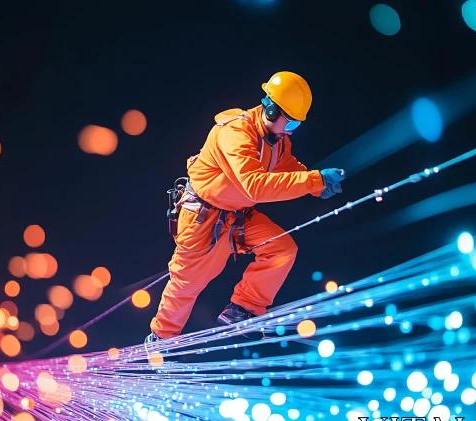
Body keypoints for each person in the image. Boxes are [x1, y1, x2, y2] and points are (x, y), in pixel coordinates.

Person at [146, 71, 345, 344]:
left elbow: (285, 167)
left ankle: (242, 309)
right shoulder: (235, 133)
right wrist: (313, 180)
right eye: (292, 123)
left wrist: (318, 184)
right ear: (273, 110)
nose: (291, 131)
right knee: (186, 284)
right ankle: (160, 341)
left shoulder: (276, 140)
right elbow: (255, 185)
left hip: (238, 217)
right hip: (202, 218)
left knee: (281, 249)